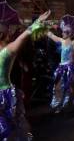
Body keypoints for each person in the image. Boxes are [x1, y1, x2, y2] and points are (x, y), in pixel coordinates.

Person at [0, 7, 50, 140]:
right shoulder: (8, 49)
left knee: (9, 129)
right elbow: (25, 34)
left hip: (5, 96)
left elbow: (25, 34)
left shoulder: (8, 50)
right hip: (5, 94)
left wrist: (37, 22)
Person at [46, 15, 74, 113]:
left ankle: (70, 104)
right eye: (62, 32)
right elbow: (51, 35)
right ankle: (59, 105)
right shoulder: (62, 41)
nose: (62, 33)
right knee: (58, 86)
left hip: (70, 68)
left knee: (71, 87)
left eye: (64, 32)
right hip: (61, 67)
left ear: (69, 34)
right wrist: (43, 27)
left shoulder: (73, 43)